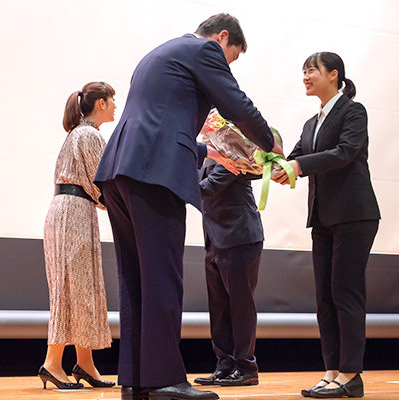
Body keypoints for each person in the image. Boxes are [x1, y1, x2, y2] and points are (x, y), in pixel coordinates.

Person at [94, 13, 282, 400]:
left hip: (120, 167)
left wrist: (208, 150)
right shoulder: (204, 51)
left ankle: (136, 380)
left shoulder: (159, 53)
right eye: (231, 58)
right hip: (153, 171)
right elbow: (237, 105)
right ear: (223, 38)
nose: (227, 67)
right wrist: (268, 143)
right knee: (163, 276)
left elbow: (160, 118)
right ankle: (164, 379)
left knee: (136, 279)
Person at [273, 52, 380, 398]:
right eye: (302, 71)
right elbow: (293, 159)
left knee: (345, 294)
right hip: (322, 217)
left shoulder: (353, 111)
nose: (305, 77)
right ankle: (332, 371)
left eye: (311, 71)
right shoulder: (311, 122)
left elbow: (345, 153)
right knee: (325, 298)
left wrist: (298, 166)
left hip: (354, 215)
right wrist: (263, 161)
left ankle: (351, 375)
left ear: (334, 75)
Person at [39, 82, 117, 390]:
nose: (114, 106)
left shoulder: (78, 134)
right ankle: (52, 364)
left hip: (68, 211)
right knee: (73, 288)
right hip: (73, 214)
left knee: (78, 287)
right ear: (99, 104)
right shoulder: (89, 134)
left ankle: (85, 364)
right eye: (112, 100)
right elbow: (102, 182)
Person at [193, 159, 263, 387]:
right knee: (219, 306)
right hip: (214, 238)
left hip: (239, 236)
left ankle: (246, 367)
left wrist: (170, 185)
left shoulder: (233, 149)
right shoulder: (207, 154)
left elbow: (209, 186)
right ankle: (225, 365)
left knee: (240, 305)